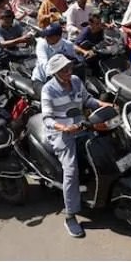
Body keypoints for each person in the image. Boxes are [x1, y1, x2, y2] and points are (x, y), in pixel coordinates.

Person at [41, 54, 109, 238]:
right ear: (55, 73)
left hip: (82, 126)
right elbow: (47, 118)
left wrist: (103, 104)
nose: (68, 71)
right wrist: (63, 127)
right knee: (71, 170)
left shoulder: (76, 81)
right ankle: (70, 215)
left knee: (105, 148)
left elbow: (87, 100)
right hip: (62, 133)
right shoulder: (48, 89)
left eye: (69, 68)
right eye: (64, 70)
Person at [32, 22, 81, 87]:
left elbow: (73, 61)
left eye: (49, 36)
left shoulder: (68, 45)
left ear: (58, 36)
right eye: (45, 35)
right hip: (42, 79)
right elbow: (43, 63)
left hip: (63, 79)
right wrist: (51, 76)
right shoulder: (42, 44)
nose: (46, 38)